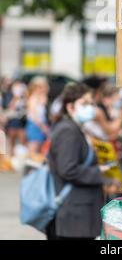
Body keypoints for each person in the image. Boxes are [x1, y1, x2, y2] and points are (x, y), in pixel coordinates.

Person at [46, 83, 104, 240]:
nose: (90, 108)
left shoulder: (74, 128)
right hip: (73, 215)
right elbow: (68, 169)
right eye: (84, 103)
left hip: (77, 215)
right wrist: (100, 173)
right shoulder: (68, 131)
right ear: (70, 107)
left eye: (92, 103)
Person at [25, 76, 49, 158]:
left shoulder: (40, 97)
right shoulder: (33, 99)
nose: (43, 89)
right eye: (41, 87)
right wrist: (43, 127)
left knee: (38, 151)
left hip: (40, 125)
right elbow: (34, 116)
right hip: (35, 126)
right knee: (33, 150)